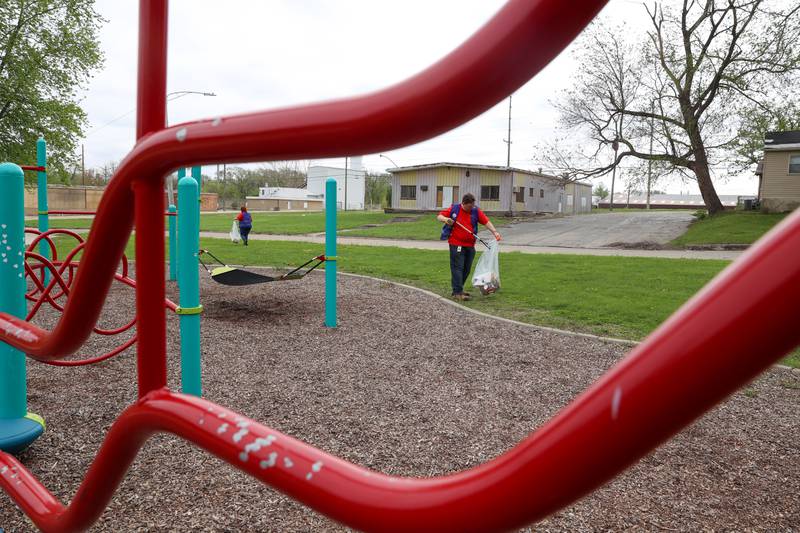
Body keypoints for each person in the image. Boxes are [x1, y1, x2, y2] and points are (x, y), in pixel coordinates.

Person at [436, 193, 501, 301]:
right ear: (464, 203)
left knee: (466, 269)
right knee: (458, 267)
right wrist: (446, 220)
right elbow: (439, 216)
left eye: (472, 206)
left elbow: (486, 221)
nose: (471, 208)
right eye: (469, 206)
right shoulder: (454, 209)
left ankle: (458, 289)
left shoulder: (475, 211)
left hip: (470, 245)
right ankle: (457, 292)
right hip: (456, 244)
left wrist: (495, 232)